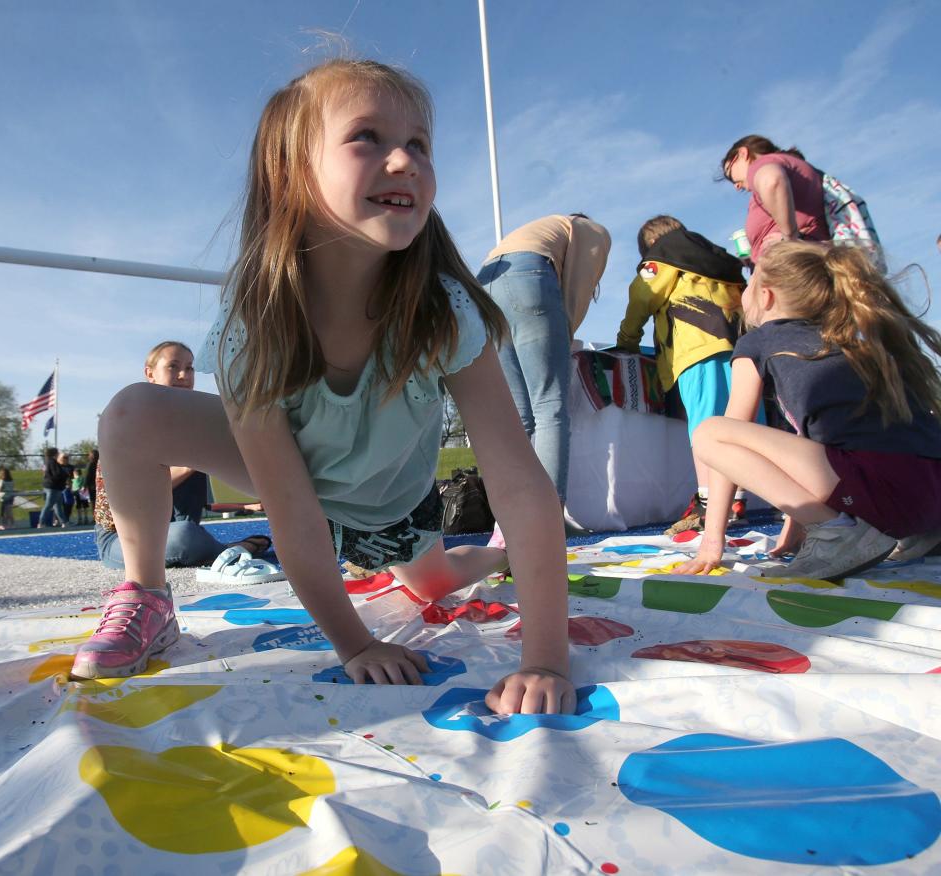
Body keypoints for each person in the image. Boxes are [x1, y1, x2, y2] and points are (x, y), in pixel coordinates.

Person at [72, 59, 573, 716]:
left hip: (396, 508)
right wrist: (355, 643)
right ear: (290, 174)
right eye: (368, 136)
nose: (406, 159)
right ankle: (146, 595)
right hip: (306, 488)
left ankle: (494, 557)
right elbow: (290, 509)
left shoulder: (443, 309)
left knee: (440, 579)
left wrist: (545, 658)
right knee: (132, 414)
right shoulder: (254, 324)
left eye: (419, 143)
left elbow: (517, 478)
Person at [673, 241, 941, 581]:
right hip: (930, 500)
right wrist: (796, 526)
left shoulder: (761, 340)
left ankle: (836, 532)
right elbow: (817, 442)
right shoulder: (851, 336)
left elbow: (728, 435)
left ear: (766, 296)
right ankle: (868, 531)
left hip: (884, 494)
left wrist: (712, 542)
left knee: (710, 433)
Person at [615, 215, 754, 534]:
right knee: (738, 428)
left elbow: (642, 297)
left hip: (696, 352)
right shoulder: (717, 260)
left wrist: (627, 340)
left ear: (651, 244)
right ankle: (736, 499)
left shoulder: (662, 259)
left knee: (705, 430)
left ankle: (708, 502)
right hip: (740, 350)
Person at [476, 213, 611, 527]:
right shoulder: (591, 228)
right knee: (549, 406)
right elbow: (578, 285)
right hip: (528, 273)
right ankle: (546, 524)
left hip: (485, 282)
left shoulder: (543, 228)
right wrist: (564, 336)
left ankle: (509, 521)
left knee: (519, 417)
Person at [94, 340, 271, 569]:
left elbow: (214, 494)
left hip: (177, 526)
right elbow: (129, 498)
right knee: (185, 537)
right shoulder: (131, 427)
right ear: (150, 373)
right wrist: (193, 463)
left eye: (189, 368)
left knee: (187, 531)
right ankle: (230, 549)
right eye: (173, 366)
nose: (183, 375)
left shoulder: (195, 424)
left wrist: (250, 504)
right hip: (124, 537)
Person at [721, 135, 829, 264]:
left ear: (743, 154)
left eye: (729, 174)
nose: (736, 186)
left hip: (794, 268)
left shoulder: (761, 164)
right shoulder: (787, 167)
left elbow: (772, 180)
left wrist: (790, 238)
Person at [38, 447, 69, 528]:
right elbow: (57, 474)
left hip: (52, 486)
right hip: (53, 487)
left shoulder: (47, 462)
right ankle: (41, 522)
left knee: (57, 506)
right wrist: (65, 475)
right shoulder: (52, 462)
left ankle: (64, 522)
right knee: (48, 505)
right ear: (55, 454)